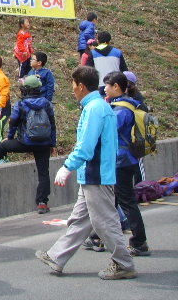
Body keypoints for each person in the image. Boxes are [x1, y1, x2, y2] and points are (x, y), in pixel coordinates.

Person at [35, 66, 136, 280]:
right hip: (93, 172)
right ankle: (57, 256)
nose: (72, 89)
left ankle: (123, 263)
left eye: (73, 84)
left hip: (95, 173)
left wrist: (67, 166)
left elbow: (86, 146)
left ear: (81, 86)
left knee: (105, 221)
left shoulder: (94, 109)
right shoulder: (98, 106)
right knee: (80, 220)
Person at [0, 75, 56, 214]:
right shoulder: (47, 103)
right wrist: (52, 144)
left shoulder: (21, 104)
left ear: (25, 89)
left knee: (4, 147)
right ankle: (42, 203)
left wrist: (9, 138)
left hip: (25, 142)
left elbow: (13, 123)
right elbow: (52, 125)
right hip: (43, 143)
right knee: (43, 172)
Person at [104, 72, 150, 256]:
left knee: (126, 201)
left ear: (116, 87)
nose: (105, 88)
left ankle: (139, 241)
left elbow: (108, 131)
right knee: (113, 200)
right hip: (127, 159)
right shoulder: (128, 105)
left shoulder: (121, 110)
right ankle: (100, 237)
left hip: (121, 160)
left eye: (107, 85)